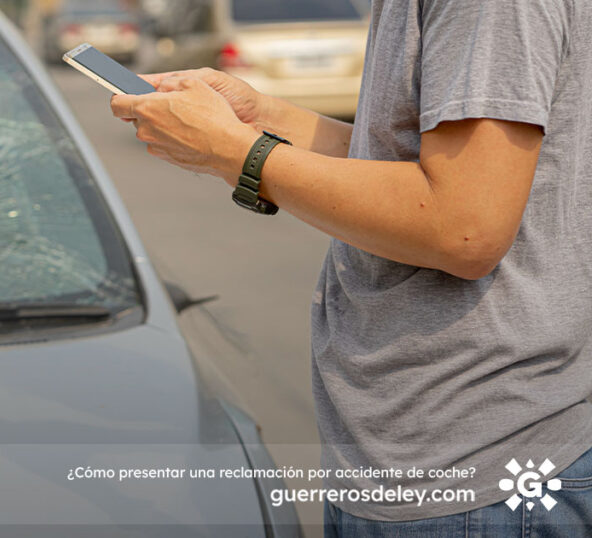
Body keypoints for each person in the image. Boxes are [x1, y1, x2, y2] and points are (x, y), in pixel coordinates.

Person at [110, 0, 592, 535]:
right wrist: (259, 118)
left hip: (473, 474)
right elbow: (401, 161)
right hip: (410, 460)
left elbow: (463, 227)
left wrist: (237, 152)